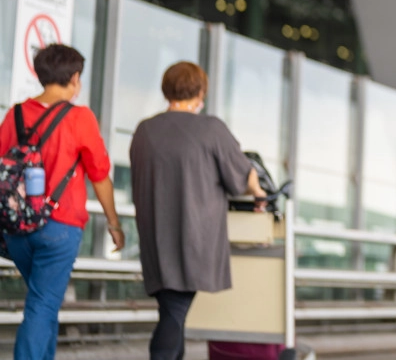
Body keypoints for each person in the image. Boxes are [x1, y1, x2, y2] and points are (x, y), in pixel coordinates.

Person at [129, 61, 268, 360]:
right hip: (194, 237)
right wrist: (258, 192)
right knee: (175, 311)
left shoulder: (144, 130)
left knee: (172, 309)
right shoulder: (210, 128)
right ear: (200, 91)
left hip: (154, 235)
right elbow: (242, 178)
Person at [0, 43, 124, 360]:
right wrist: (113, 222)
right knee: (42, 305)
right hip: (59, 227)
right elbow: (100, 175)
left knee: (46, 303)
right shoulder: (79, 118)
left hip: (16, 231)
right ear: (74, 78)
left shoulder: (13, 115)